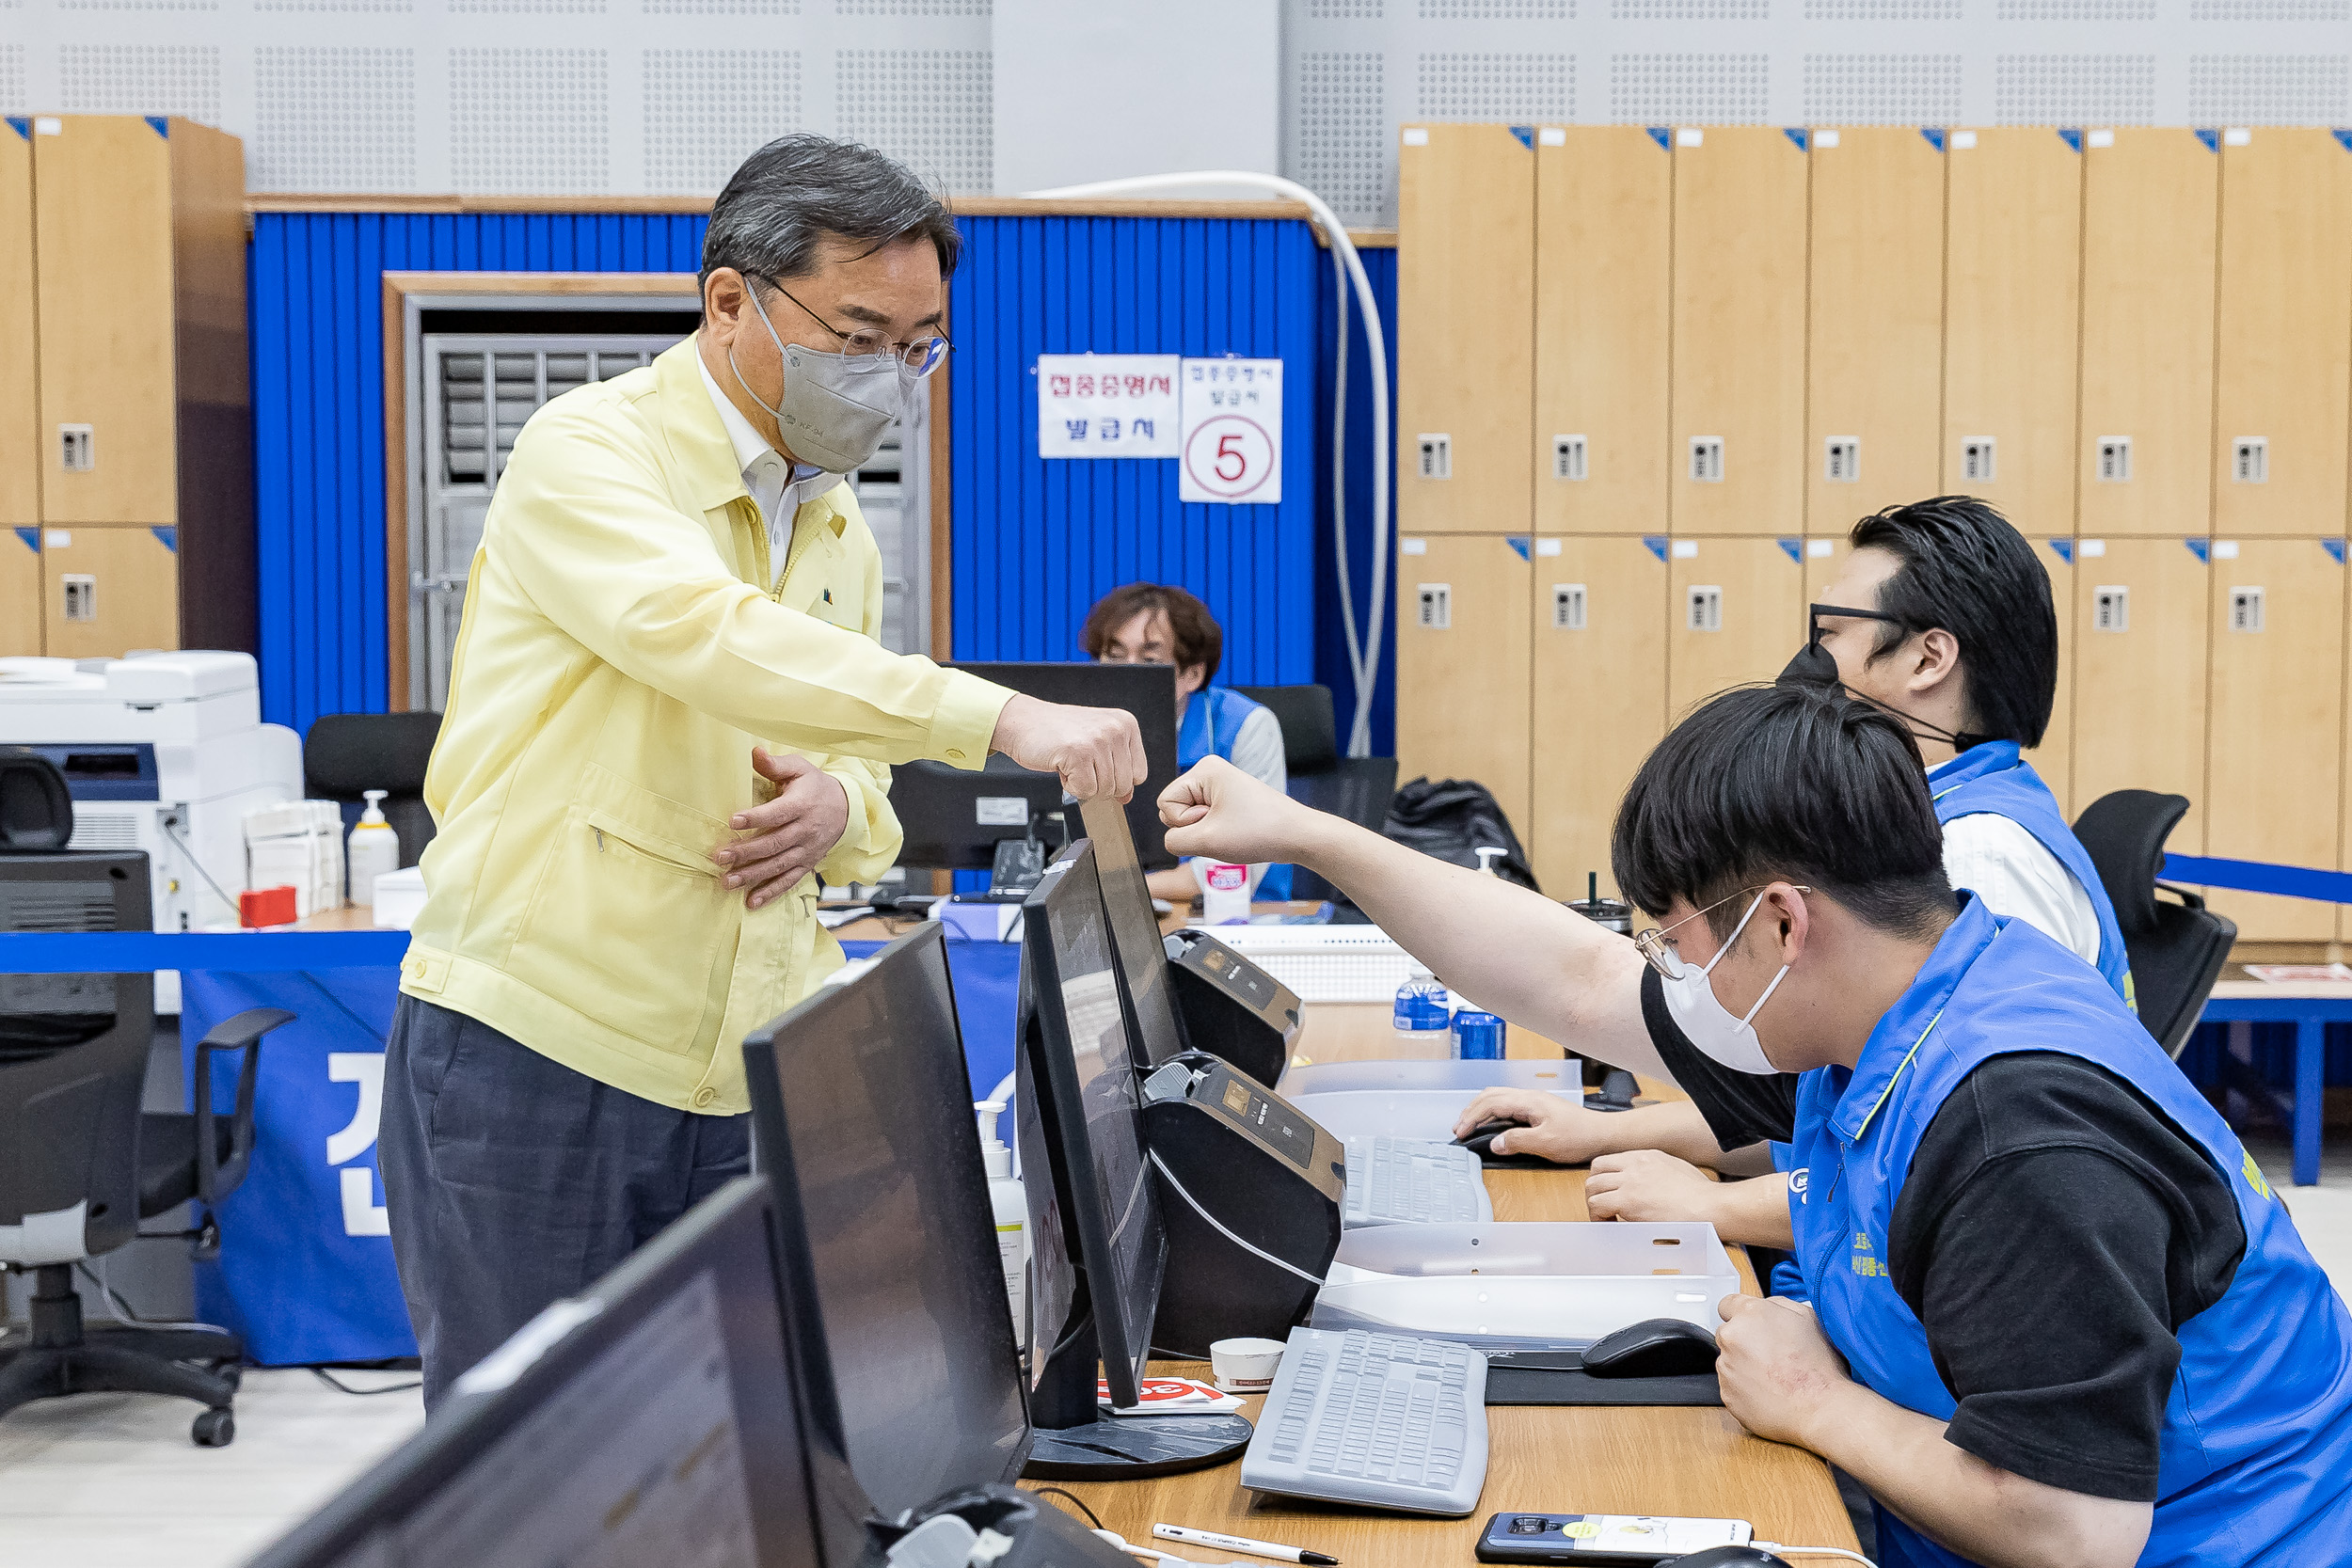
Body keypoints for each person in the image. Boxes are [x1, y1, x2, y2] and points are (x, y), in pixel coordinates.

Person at [1159, 689, 2352, 1568]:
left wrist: (1816, 1400)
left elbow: (2073, 1528)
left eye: (1676, 940)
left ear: (1781, 922)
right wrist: (1310, 836)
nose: (1670, 974)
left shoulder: (2015, 1127)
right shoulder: (1889, 996)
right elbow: (1573, 980)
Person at [380, 135, 1146, 1406]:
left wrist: (845, 800)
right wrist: (998, 714)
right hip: (540, 1047)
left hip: (747, 1066)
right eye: (859, 334)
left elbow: (864, 786)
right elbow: (703, 637)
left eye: (920, 344)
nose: (893, 376)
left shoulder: (834, 516)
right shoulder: (591, 453)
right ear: (730, 299)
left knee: (741, 1461)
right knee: (543, 1475)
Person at [1450, 498, 2135, 1246]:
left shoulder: (1980, 860)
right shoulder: (1933, 819)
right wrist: (1613, 1128)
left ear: (1928, 657)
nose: (1811, 662)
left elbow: (1956, 1177)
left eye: (1833, 632)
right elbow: (1826, 1120)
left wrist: (1713, 1207)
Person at [1082, 581, 1289, 902]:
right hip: (1115, 915)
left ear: (1191, 674)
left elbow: (1237, 868)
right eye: (1115, 656)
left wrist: (1117, 889)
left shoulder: (1248, 727)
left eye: (1149, 660)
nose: (1127, 674)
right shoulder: (1083, 731)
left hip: (1239, 921)